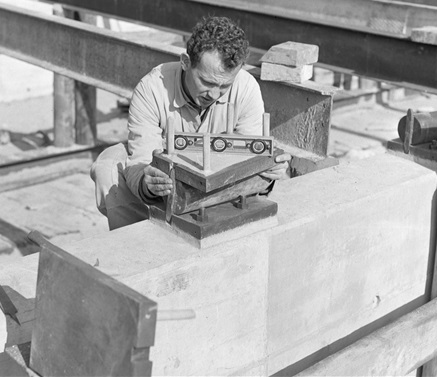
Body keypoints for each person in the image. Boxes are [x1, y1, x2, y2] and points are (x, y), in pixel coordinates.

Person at [91, 16, 291, 230]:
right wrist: (147, 183)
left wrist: (268, 174)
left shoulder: (245, 87)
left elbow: (251, 162)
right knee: (108, 165)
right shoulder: (151, 88)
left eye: (225, 86)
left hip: (220, 192)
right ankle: (139, 243)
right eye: (206, 82)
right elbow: (140, 158)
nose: (214, 94)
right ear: (185, 62)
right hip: (166, 191)